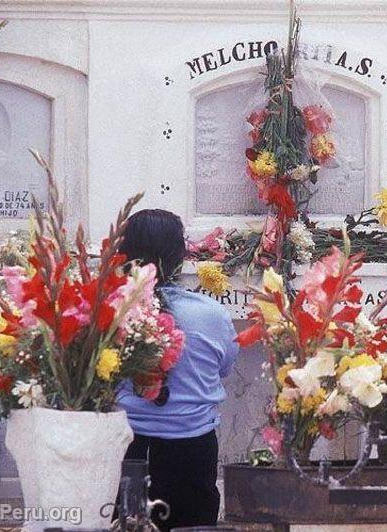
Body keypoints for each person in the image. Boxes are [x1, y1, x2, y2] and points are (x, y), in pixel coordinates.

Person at [117, 209, 239, 531]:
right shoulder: (212, 315)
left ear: (124, 254)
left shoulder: (111, 312)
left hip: (125, 450)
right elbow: (224, 367)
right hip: (192, 452)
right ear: (180, 256)